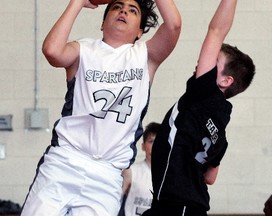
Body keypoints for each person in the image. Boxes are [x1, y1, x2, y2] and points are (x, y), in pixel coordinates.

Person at [20, 0, 181, 215]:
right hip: (65, 160)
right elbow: (51, 51)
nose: (124, 10)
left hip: (107, 173)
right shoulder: (83, 49)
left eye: (133, 10)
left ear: (140, 32)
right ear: (102, 23)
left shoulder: (145, 56)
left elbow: (174, 25)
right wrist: (77, 2)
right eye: (117, 7)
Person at [142, 0, 255, 215]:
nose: (204, 62)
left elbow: (216, 30)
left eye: (215, 61)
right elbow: (210, 177)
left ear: (225, 81)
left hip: (176, 206)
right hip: (188, 206)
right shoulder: (220, 128)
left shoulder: (203, 93)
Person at [118, 122, 161, 216]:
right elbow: (115, 201)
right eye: (151, 141)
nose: (155, 146)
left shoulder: (171, 177)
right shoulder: (131, 172)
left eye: (159, 141)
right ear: (143, 146)